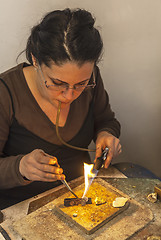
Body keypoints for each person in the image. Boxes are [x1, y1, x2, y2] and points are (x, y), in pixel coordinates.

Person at [0, 8, 121, 209]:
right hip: (21, 210)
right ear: (36, 60)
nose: (70, 95)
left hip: (77, 199)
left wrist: (107, 134)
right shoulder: (5, 92)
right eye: (57, 82)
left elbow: (106, 120)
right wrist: (20, 167)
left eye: (81, 84)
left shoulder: (92, 77)